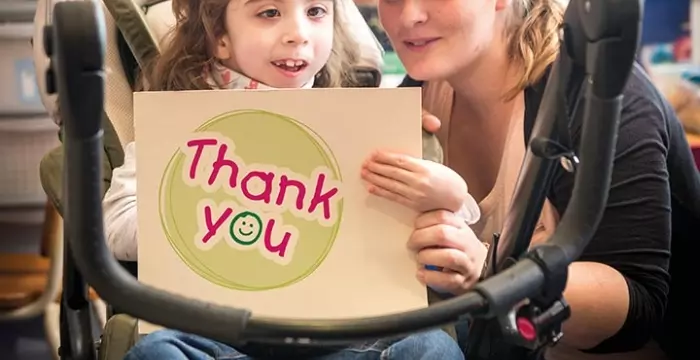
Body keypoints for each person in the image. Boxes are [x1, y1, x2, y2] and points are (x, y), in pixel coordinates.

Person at [105, 0, 475, 358]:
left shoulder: (361, 120)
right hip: (217, 340)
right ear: (220, 35)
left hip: (345, 338)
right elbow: (115, 226)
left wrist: (450, 196)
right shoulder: (179, 122)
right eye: (269, 12)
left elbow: (435, 234)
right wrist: (212, 216)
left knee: (433, 347)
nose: (298, 33)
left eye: (315, 12)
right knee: (156, 351)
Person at [360, 0, 699, 358]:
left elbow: (638, 306)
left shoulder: (594, 96)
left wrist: (489, 269)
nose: (410, 16)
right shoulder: (423, 92)